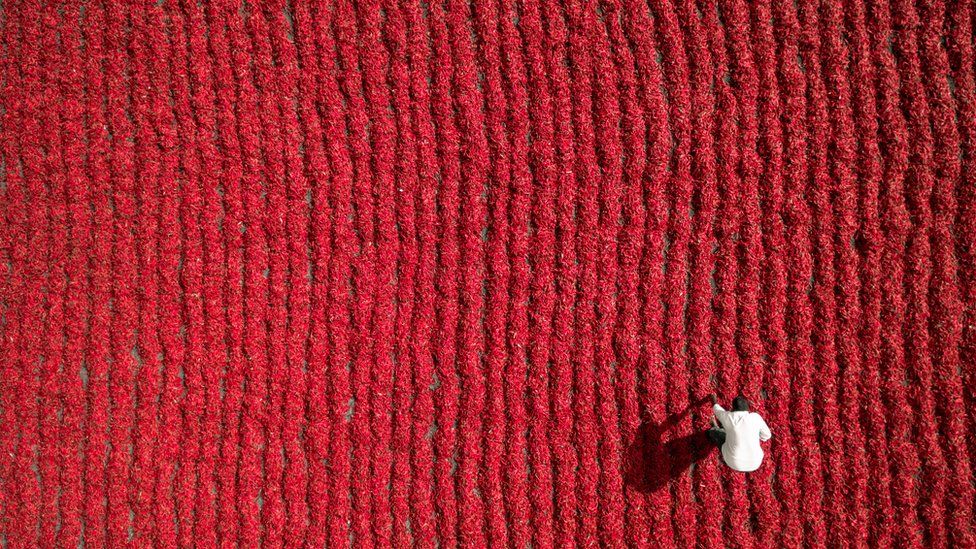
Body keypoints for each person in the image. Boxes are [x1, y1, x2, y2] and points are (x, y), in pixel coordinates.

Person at [706, 394, 771, 472]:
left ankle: (715, 429)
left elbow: (717, 410)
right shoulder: (755, 417)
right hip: (755, 463)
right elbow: (767, 435)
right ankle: (725, 429)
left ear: (733, 408)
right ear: (747, 408)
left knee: (713, 432)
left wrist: (714, 400)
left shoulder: (729, 417)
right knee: (731, 431)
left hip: (733, 461)